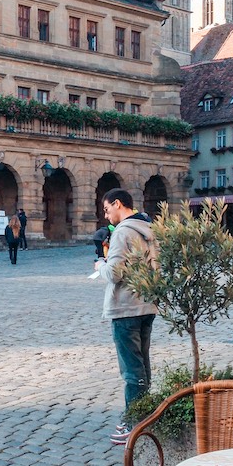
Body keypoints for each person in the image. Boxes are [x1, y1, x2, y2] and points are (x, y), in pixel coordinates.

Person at [94, 188, 158, 446]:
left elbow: (114, 273)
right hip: (147, 304)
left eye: (107, 210)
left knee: (131, 369)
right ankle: (144, 416)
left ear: (118, 204)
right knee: (142, 365)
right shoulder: (149, 228)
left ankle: (134, 423)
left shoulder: (123, 231)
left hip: (125, 307)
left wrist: (101, 265)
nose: (106, 216)